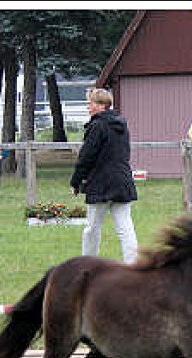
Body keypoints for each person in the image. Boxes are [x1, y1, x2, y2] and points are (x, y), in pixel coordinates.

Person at [70, 88, 138, 264]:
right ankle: (133, 263)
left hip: (101, 182)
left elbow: (86, 156)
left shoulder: (97, 126)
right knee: (125, 227)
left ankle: (88, 263)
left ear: (101, 105)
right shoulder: (122, 126)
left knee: (92, 227)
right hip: (122, 180)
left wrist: (76, 181)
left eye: (90, 104)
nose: (88, 107)